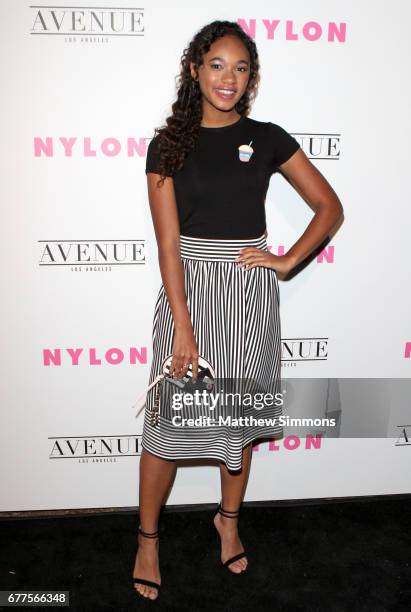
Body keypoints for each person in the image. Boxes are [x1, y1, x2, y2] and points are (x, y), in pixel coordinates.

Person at [132, 20, 343, 600]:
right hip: (189, 294)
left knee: (239, 425)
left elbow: (328, 206)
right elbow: (169, 245)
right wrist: (183, 325)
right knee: (168, 429)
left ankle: (228, 522)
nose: (229, 78)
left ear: (251, 78)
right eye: (217, 64)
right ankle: (147, 538)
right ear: (195, 70)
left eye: (241, 67)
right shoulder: (166, 146)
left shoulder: (269, 137)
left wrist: (286, 260)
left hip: (250, 299)